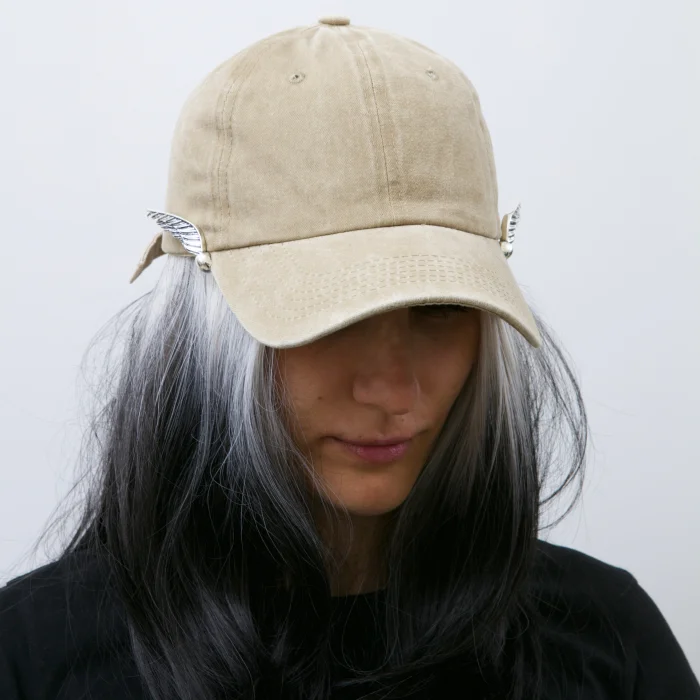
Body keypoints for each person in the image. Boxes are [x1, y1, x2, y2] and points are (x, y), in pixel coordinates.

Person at [1, 15, 698, 700]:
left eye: (440, 308)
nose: (392, 390)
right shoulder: (35, 660)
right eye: (329, 318)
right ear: (206, 328)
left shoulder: (608, 644)